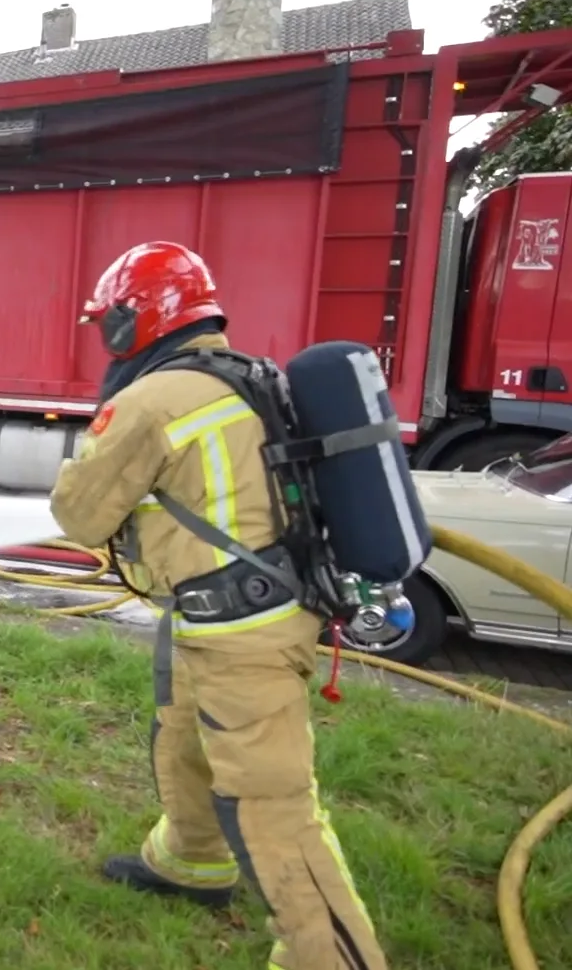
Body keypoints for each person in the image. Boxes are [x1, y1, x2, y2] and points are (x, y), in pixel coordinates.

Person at [49, 240, 389, 970]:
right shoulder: (246, 373)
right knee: (182, 735)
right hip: (234, 612)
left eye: (105, 321)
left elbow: (79, 517)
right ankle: (193, 861)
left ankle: (332, 960)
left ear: (132, 321)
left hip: (243, 633)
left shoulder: (153, 399)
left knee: (273, 809)